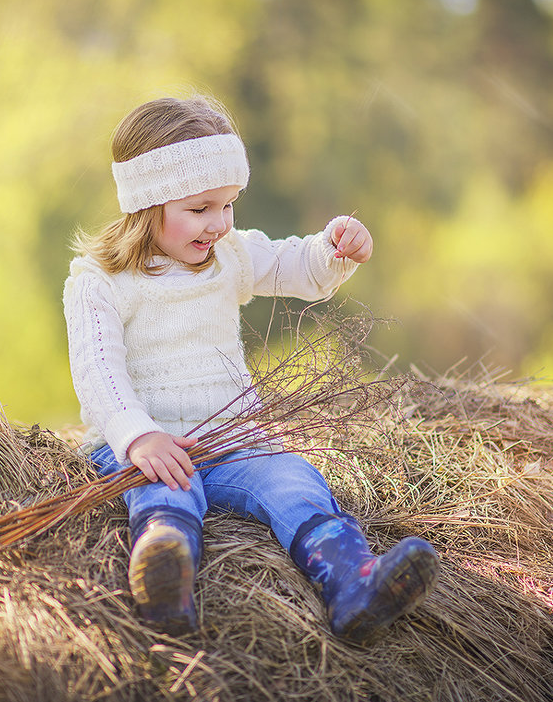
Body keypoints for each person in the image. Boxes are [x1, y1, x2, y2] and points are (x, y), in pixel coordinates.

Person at [63, 95, 438, 644]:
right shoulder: (98, 280)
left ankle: (354, 584)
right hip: (148, 440)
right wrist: (136, 435)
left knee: (292, 479)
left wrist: (333, 250)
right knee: (165, 494)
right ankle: (165, 580)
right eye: (200, 208)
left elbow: (292, 265)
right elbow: (97, 368)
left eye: (230, 205)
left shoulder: (229, 255)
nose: (219, 224)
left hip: (232, 438)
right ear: (147, 204)